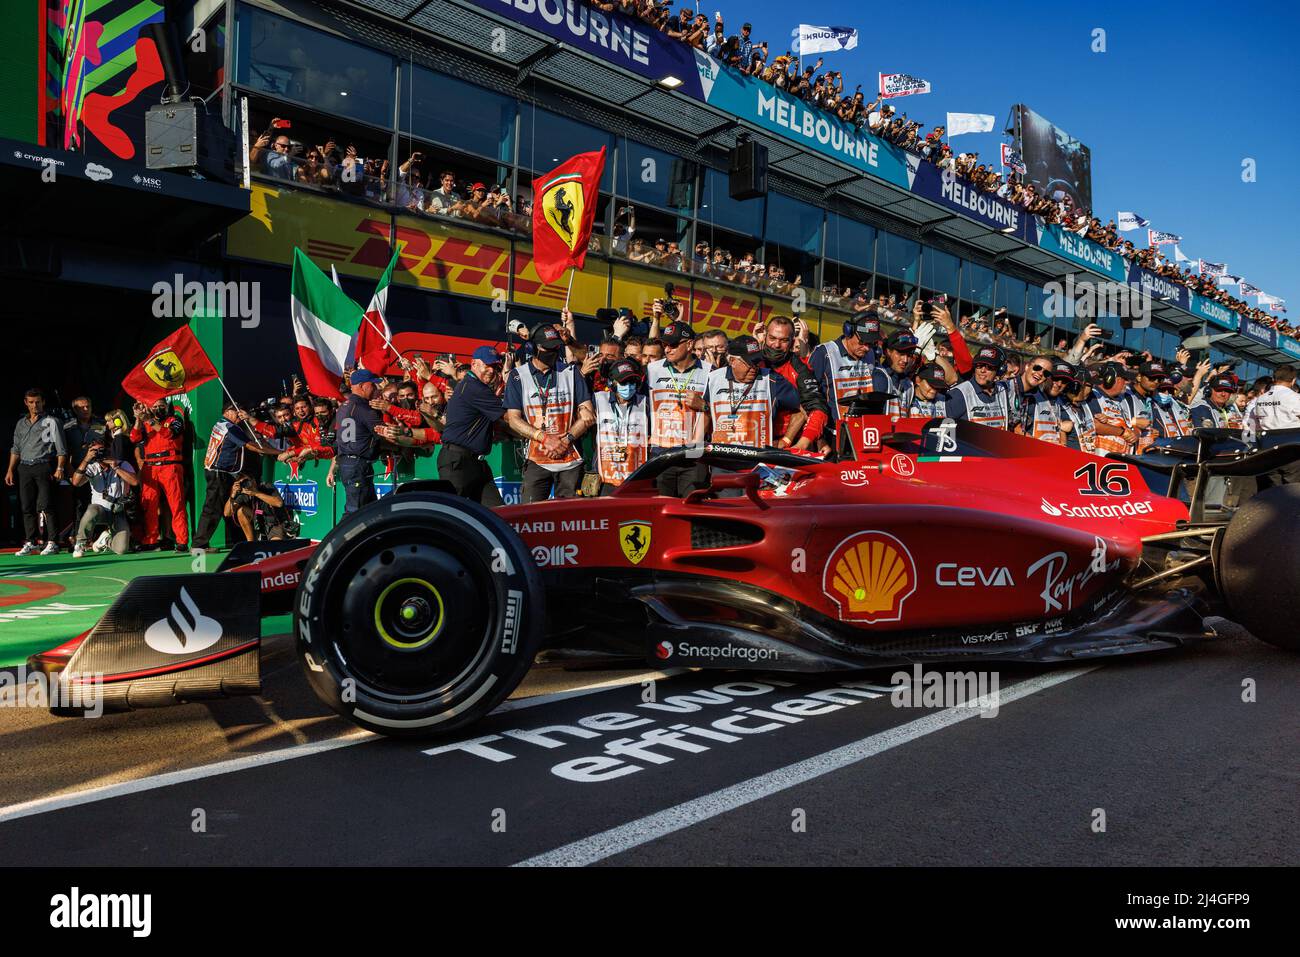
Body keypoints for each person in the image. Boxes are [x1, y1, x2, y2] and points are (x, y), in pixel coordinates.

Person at [503, 322, 593, 503]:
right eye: (548, 349)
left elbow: (588, 415)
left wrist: (566, 440)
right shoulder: (517, 377)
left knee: (570, 521)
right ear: (534, 349)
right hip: (537, 460)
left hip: (570, 459)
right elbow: (513, 419)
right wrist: (545, 438)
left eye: (557, 348)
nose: (553, 353)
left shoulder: (571, 372)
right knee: (529, 517)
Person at [429, 346, 508, 505]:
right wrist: (540, 436)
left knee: (497, 514)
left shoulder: (472, 385)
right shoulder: (475, 387)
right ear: (474, 364)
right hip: (458, 462)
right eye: (487, 365)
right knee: (453, 517)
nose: (492, 370)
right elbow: (508, 419)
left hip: (475, 464)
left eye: (495, 367)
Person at [194, 402, 274, 549]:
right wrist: (277, 452)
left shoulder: (220, 423)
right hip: (219, 473)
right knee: (212, 509)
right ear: (228, 412)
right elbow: (250, 446)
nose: (240, 416)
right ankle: (199, 545)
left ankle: (238, 542)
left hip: (223, 472)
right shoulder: (230, 427)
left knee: (232, 505)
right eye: (238, 412)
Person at [645, 321, 712, 496]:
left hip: (694, 454)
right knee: (661, 509)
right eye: (665, 344)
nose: (667, 349)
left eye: (673, 345)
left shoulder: (710, 371)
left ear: (689, 344)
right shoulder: (651, 370)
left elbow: (724, 412)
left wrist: (704, 405)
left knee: (693, 509)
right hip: (661, 451)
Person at [702, 336, 804, 447]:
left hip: (758, 460)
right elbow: (705, 414)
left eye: (757, 362)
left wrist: (786, 440)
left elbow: (803, 408)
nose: (755, 367)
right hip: (721, 458)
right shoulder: (713, 378)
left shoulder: (771, 379)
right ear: (732, 361)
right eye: (750, 362)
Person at [7, 388, 68, 555]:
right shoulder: (21, 423)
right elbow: (16, 448)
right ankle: (31, 541)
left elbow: (61, 448)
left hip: (44, 465)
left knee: (46, 505)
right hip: (24, 467)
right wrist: (10, 470)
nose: (35, 405)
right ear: (26, 403)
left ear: (43, 402)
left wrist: (60, 467)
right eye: (32, 402)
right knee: (27, 506)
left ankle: (53, 541)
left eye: (38, 402)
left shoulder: (51, 421)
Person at [129, 398, 190, 551]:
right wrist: (138, 418)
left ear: (167, 407)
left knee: (176, 504)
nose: (157, 409)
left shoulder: (174, 420)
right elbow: (134, 438)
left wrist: (149, 419)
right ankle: (151, 540)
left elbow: (169, 434)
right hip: (150, 467)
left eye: (161, 406)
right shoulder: (146, 422)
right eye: (154, 406)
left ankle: (181, 541)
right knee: (149, 505)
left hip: (170, 466)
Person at [762, 316, 830, 452]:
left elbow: (817, 408)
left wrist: (802, 443)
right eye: (772, 338)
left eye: (783, 340)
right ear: (765, 337)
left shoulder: (800, 369)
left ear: (792, 342)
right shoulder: (754, 362)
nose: (776, 345)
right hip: (750, 440)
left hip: (787, 445)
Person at [329, 368, 386, 514]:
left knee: (371, 511)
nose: (375, 388)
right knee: (355, 514)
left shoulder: (343, 407)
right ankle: (338, 538)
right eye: (372, 385)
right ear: (362, 386)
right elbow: (386, 434)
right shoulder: (364, 409)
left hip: (348, 463)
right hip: (358, 465)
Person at [68, 438, 138, 557]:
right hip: (100, 510)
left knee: (121, 550)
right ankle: (81, 543)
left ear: (109, 450)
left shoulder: (122, 464)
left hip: (118, 511)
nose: (99, 453)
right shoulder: (92, 467)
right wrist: (86, 459)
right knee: (92, 510)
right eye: (94, 451)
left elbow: (135, 482)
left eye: (101, 450)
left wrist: (116, 467)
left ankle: (105, 541)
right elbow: (76, 482)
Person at [808, 315, 881, 427]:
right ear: (848, 332)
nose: (867, 348)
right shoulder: (824, 353)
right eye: (862, 342)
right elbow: (809, 398)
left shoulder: (870, 354)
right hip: (832, 433)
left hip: (863, 430)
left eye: (871, 344)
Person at [593, 358, 650, 494]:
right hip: (606, 477)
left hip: (636, 477)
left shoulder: (646, 403)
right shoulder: (597, 399)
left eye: (632, 382)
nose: (629, 386)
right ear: (612, 383)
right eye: (624, 382)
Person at [947, 346, 1014, 429]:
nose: (982, 370)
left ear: (1000, 370)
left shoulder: (1003, 391)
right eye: (979, 365)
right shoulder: (959, 394)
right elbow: (943, 428)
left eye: (989, 367)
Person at [1088, 362, 1140, 455]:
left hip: (1117, 459)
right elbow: (1092, 425)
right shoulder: (1094, 396)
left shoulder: (1121, 400)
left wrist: (1135, 433)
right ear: (1111, 379)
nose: (1127, 383)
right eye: (1125, 379)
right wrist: (1123, 432)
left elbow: (1133, 424)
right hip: (1099, 458)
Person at [868, 330, 923, 417]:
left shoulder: (908, 384)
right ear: (887, 352)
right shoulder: (879, 377)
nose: (905, 360)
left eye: (909, 355)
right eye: (901, 353)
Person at [224, 475, 290, 542]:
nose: (246, 484)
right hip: (259, 522)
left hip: (273, 523)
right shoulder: (244, 494)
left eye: (246, 481)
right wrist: (232, 495)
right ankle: (250, 543)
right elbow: (227, 513)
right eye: (241, 483)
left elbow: (279, 503)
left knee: (275, 547)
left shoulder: (266, 487)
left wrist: (256, 493)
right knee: (241, 511)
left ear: (254, 481)